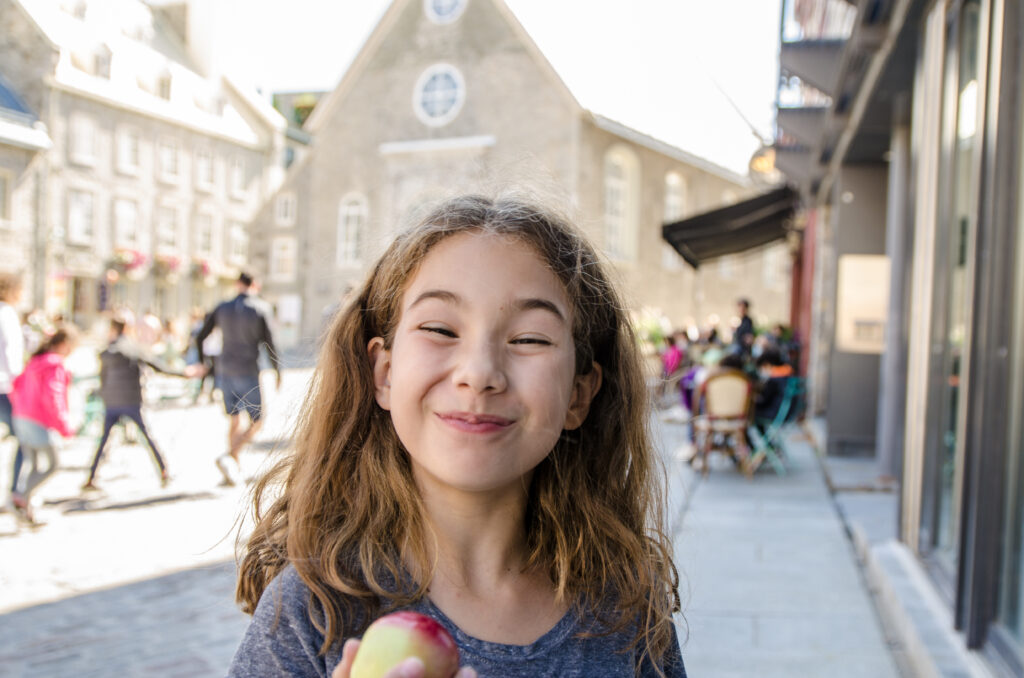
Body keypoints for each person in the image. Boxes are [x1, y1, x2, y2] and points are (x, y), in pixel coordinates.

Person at [226, 195, 685, 678]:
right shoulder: (311, 612)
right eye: (441, 329)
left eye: (529, 338)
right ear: (384, 373)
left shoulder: (627, 609)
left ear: (578, 393)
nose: (479, 373)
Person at [81, 317, 198, 493]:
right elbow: (159, 367)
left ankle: (91, 477)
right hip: (130, 400)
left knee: (103, 440)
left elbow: (102, 378)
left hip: (111, 401)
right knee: (147, 437)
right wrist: (184, 374)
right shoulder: (133, 349)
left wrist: (104, 395)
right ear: (126, 329)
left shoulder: (107, 352)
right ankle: (164, 471)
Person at [196, 271, 281, 486]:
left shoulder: (222, 306)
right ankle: (231, 454)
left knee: (234, 418)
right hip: (247, 369)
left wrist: (202, 363)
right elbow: (269, 343)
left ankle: (232, 463)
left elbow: (200, 336)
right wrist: (277, 370)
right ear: (254, 285)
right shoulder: (260, 308)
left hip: (225, 370)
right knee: (257, 420)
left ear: (237, 284)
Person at [8, 325, 79, 525]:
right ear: (65, 344)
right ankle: (20, 497)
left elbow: (16, 386)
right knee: (53, 464)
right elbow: (53, 396)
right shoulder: (55, 364)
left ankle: (25, 511)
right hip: (37, 419)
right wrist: (64, 427)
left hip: (21, 416)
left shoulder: (35, 360)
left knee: (33, 464)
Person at [0, 274, 26, 516]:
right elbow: (11, 353)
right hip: (5, 387)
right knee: (24, 438)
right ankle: (15, 493)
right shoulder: (6, 313)